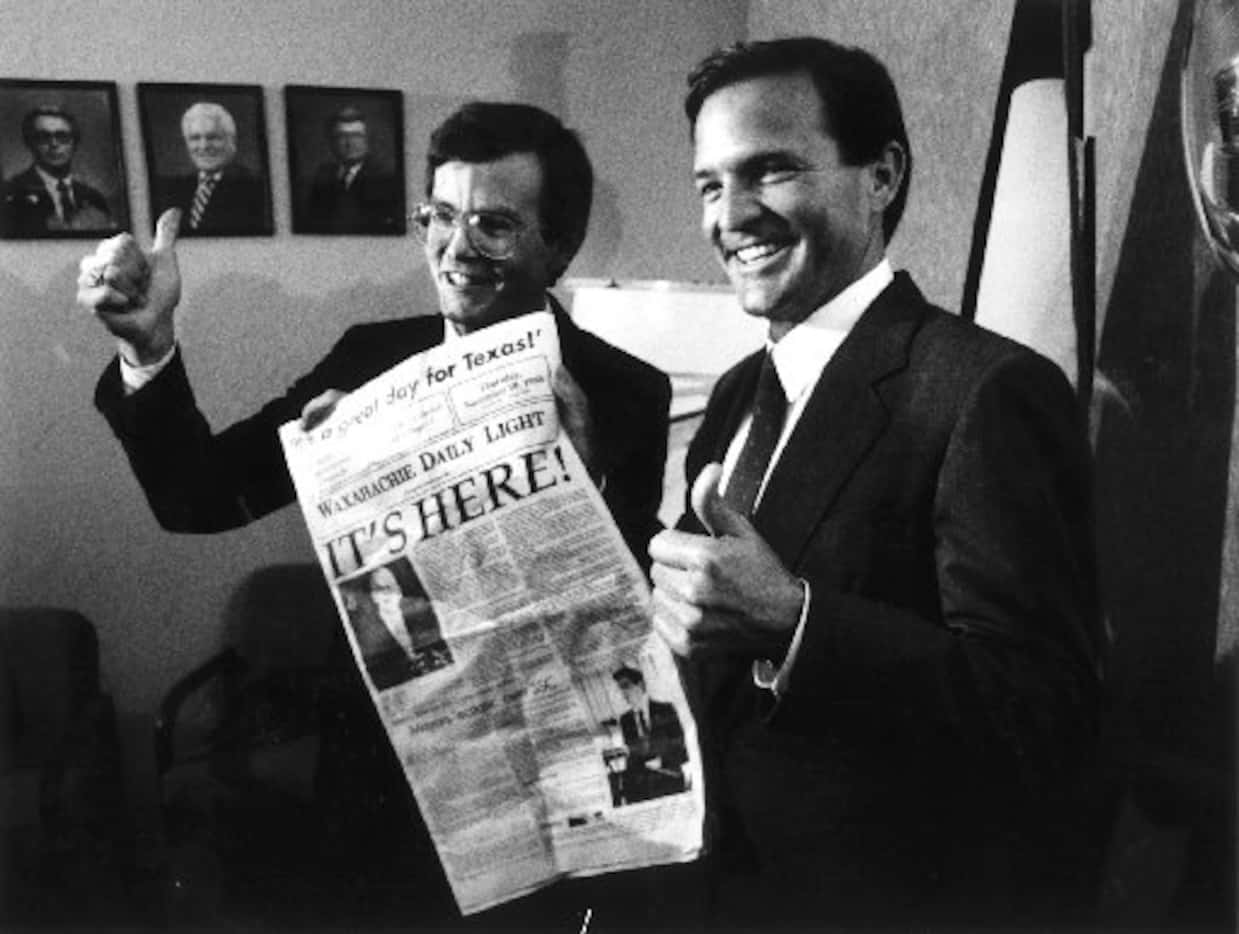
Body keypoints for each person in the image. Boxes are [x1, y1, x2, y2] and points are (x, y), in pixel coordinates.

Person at [79, 100, 671, 929]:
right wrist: (148, 348)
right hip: (377, 784)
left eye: (494, 225)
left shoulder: (626, 392)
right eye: (440, 216)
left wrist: (587, 485)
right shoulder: (368, 358)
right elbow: (199, 496)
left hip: (548, 786)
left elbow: (639, 621)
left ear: (560, 245)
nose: (455, 249)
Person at [648, 38, 1102, 931]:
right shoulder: (741, 388)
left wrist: (798, 622)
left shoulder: (985, 389)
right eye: (709, 184)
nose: (730, 216)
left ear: (881, 173)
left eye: (770, 170)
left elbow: (1046, 710)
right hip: (722, 891)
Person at [1, 105, 116, 236]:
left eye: (62, 137)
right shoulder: (11, 193)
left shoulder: (94, 198)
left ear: (74, 143)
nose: (54, 144)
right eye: (44, 137)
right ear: (30, 143)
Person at [155, 101, 266, 236]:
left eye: (213, 137)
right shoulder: (173, 190)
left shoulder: (254, 188)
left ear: (231, 141)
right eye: (195, 138)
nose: (204, 146)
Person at [302, 105, 402, 234]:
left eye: (357, 136)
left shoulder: (385, 177)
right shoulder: (324, 174)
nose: (349, 143)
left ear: (368, 140)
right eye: (341, 136)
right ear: (331, 142)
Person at [612, 664, 688, 803]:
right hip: (641, 788)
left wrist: (663, 763)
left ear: (640, 685)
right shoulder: (625, 720)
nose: (623, 694)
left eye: (626, 686)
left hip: (668, 779)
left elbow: (681, 744)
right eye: (620, 689)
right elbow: (632, 756)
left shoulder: (666, 709)